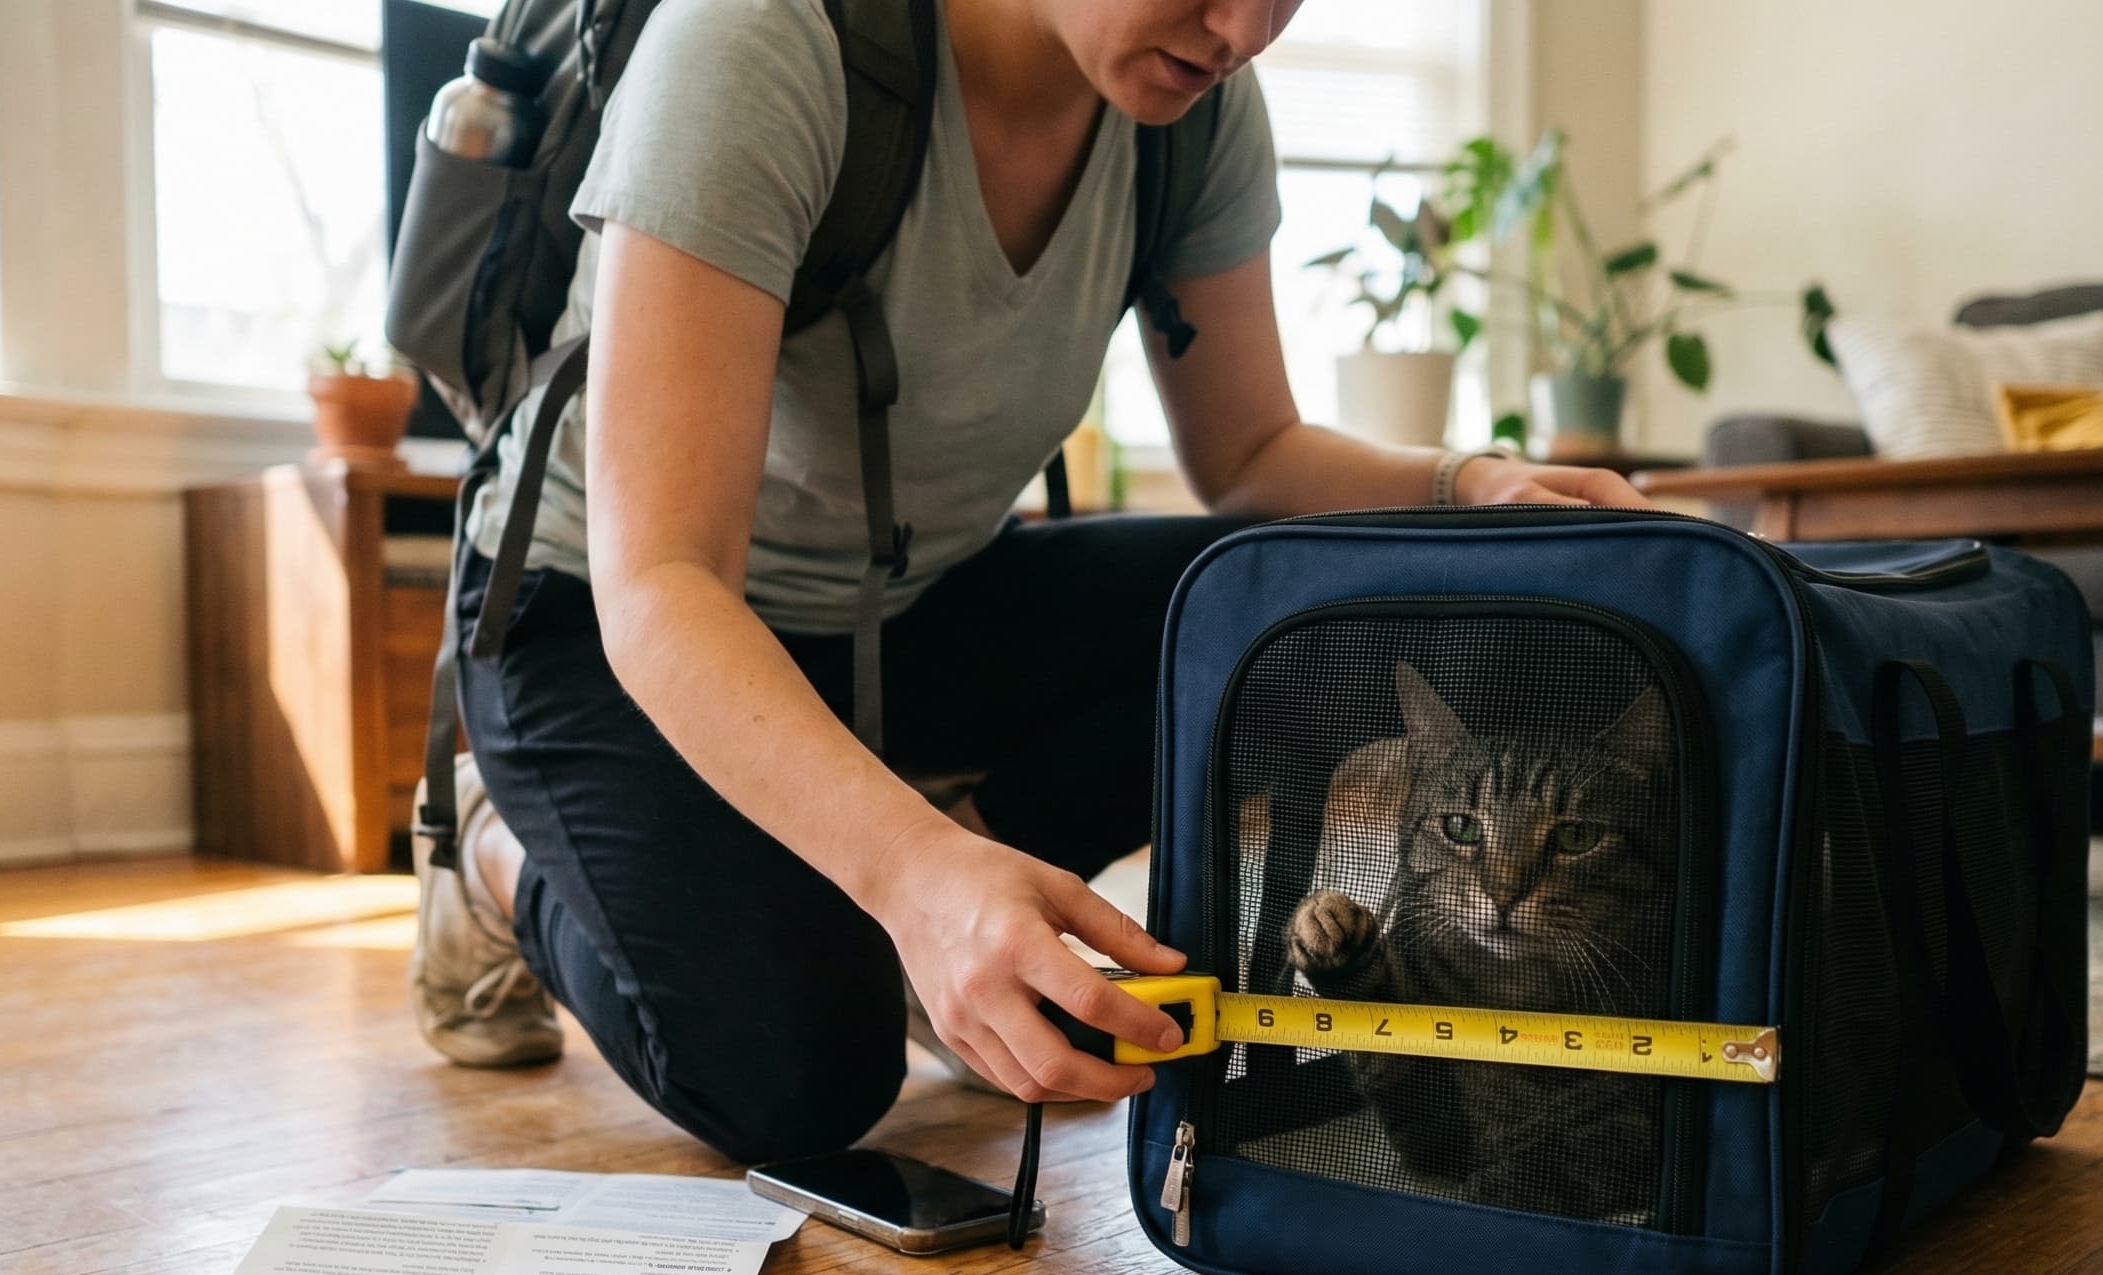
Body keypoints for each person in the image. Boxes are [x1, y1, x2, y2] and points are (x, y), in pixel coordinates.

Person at [409, 0, 1653, 1165]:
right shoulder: (758, 39)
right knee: (795, 1081)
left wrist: (1471, 486)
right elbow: (662, 579)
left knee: (1284, 610)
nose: (1240, 32)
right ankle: (495, 848)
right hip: (605, 620)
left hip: (906, 608)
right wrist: (908, 874)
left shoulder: (1196, 105)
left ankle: (948, 903)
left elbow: (1250, 453)